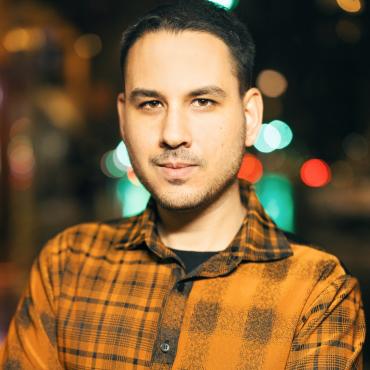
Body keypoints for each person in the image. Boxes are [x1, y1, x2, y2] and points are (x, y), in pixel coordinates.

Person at [0, 0, 365, 369]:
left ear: (250, 117)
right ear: (123, 119)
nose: (173, 134)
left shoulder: (317, 292)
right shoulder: (66, 267)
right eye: (151, 104)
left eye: (203, 101)